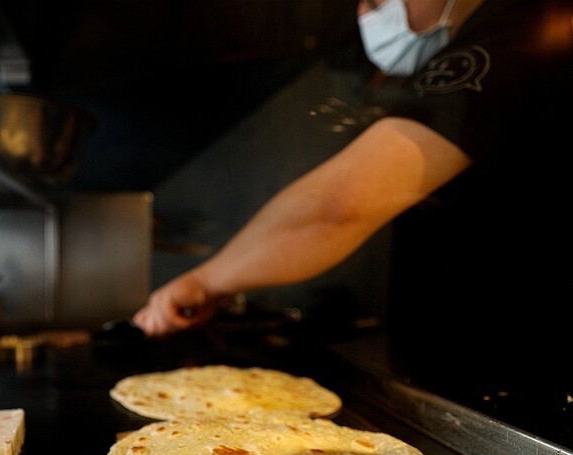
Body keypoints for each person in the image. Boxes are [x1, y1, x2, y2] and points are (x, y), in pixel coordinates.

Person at [132, 0, 573, 374]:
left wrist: (206, 282)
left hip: (522, 374)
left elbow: (337, 208)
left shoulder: (524, 36)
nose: (366, 11)